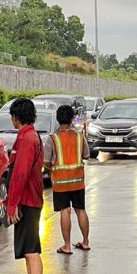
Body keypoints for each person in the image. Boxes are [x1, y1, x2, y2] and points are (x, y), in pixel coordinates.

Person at [6, 97, 46, 274]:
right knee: (29, 251)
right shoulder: (30, 136)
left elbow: (20, 174)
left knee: (31, 251)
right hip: (30, 199)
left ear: (15, 117)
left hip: (28, 201)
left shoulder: (26, 139)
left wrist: (12, 204)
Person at [45, 103, 91, 255]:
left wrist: (52, 168)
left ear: (57, 119)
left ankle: (67, 246)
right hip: (78, 181)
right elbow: (86, 155)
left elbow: (46, 161)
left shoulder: (52, 139)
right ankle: (85, 242)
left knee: (65, 212)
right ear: (72, 119)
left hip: (60, 183)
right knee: (81, 210)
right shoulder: (79, 137)